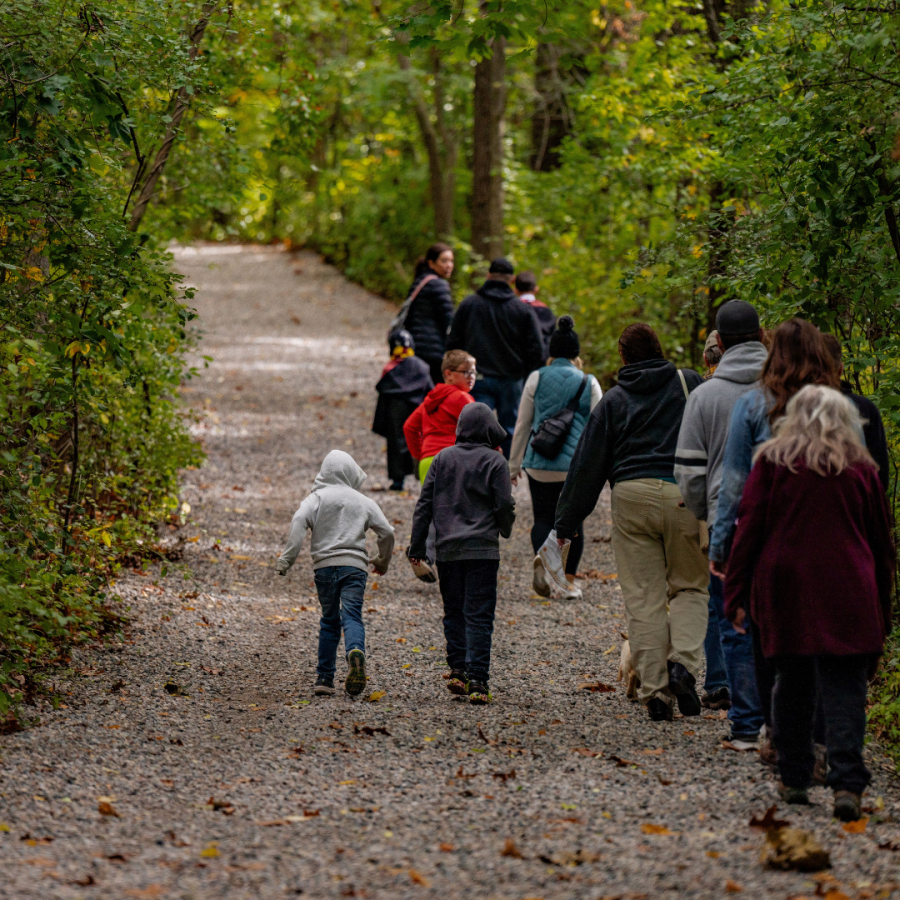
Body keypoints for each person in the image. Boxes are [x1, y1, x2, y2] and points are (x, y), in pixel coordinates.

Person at [723, 385, 894, 821]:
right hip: (849, 587)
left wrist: (735, 592)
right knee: (845, 688)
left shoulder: (773, 462)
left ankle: (795, 775)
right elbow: (881, 543)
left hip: (787, 586)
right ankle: (847, 783)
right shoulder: (861, 469)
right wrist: (884, 609)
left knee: (791, 682)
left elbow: (750, 529)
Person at [547, 323, 708, 722]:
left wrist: (564, 525)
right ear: (659, 348)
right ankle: (683, 666)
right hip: (683, 495)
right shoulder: (689, 383)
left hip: (631, 496)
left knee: (643, 597)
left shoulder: (614, 401)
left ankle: (655, 693)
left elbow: (587, 467)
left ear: (623, 357)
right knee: (690, 586)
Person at [708, 318, 840, 741]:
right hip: (827, 535)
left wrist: (721, 544)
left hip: (769, 537)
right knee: (818, 636)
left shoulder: (752, 405)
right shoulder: (837, 406)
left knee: (766, 634)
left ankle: (771, 727)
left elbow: (733, 485)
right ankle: (812, 736)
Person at [675, 300, 768, 747]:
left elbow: (688, 471)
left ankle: (734, 703)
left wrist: (704, 514)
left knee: (728, 612)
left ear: (721, 342)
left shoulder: (704, 396)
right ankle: (778, 714)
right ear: (761, 335)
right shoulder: (786, 389)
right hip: (782, 521)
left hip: (725, 521)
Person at [407, 403, 515, 705]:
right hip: (483, 550)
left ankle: (457, 670)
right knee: (479, 614)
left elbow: (424, 505)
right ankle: (479, 681)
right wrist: (504, 530)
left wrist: (417, 547)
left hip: (448, 550)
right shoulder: (495, 462)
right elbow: (504, 504)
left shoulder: (443, 459)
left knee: (454, 611)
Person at [276, 450, 395, 697]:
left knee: (330, 621)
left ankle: (325, 678)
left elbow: (299, 521)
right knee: (352, 615)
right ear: (350, 473)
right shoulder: (362, 501)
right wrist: (382, 561)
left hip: (324, 568)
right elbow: (387, 532)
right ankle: (355, 651)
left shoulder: (316, 498)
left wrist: (286, 560)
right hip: (355, 568)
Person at [508, 315, 602, 600]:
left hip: (540, 463)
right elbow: (600, 429)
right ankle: (568, 582)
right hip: (574, 467)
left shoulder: (536, 377)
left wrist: (513, 465)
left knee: (543, 518)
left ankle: (544, 567)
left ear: (552, 352)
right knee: (573, 523)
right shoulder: (589, 382)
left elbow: (522, 423)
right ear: (576, 353)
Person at [446, 258, 544, 457]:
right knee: (511, 430)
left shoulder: (469, 305)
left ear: (488, 275)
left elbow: (452, 343)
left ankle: (475, 472)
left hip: (476, 378)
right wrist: (525, 374)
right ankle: (505, 477)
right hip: (512, 380)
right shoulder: (523, 310)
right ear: (512, 280)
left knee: (475, 429)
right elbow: (538, 350)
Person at [402, 349, 477, 581]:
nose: (472, 376)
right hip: (453, 460)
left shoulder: (430, 399)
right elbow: (480, 428)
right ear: (449, 374)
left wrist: (421, 455)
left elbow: (409, 427)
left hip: (428, 461)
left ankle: (421, 553)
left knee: (435, 510)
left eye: (474, 372)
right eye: (466, 372)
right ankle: (449, 561)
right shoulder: (462, 399)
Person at [822, 333, 890, 491]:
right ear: (840, 368)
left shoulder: (794, 409)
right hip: (858, 505)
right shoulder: (864, 409)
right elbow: (880, 478)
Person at [372, 330, 434, 490]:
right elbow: (431, 392)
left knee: (395, 442)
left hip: (395, 409)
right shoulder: (422, 366)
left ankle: (398, 480)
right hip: (418, 408)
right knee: (420, 441)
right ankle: (424, 478)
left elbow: (383, 396)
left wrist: (380, 422)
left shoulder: (390, 369)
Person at [396, 243, 456, 387]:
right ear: (431, 263)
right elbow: (448, 321)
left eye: (451, 261)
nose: (449, 265)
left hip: (415, 348)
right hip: (432, 352)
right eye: (444, 260)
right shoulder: (438, 285)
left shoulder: (420, 281)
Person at [515, 271, 556, 362]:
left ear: (515, 290)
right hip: (542, 362)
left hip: (517, 362)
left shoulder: (513, 309)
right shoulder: (545, 311)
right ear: (536, 289)